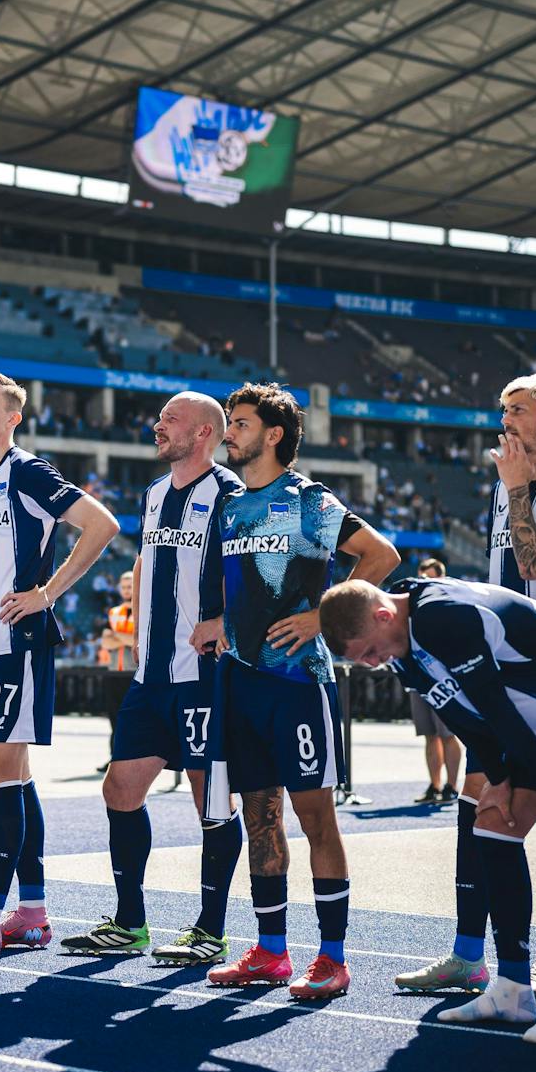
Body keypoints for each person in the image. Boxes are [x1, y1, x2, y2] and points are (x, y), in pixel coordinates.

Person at [324, 575, 536, 1044]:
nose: (374, 665)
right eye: (363, 661)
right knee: (493, 824)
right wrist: (499, 778)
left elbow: (493, 704)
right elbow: (458, 713)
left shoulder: (443, 616)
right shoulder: (398, 642)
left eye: (370, 652)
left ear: (383, 616)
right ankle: (514, 989)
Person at [397, 370, 536, 998]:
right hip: (502, 669)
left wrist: (516, 488)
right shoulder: (507, 484)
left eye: (516, 409)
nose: (504, 420)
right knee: (479, 798)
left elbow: (533, 560)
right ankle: (469, 953)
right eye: (502, 408)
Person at [195, 383, 400, 1000]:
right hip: (242, 682)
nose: (229, 432)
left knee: (316, 819)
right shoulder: (228, 508)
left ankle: (333, 957)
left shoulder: (308, 499)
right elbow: (239, 589)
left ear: (274, 434)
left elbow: (380, 555)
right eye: (229, 422)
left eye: (240, 423)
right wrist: (220, 624)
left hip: (298, 684)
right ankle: (271, 951)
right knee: (259, 818)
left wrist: (322, 616)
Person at [0, 371, 119, 961]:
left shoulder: (30, 472)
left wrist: (47, 592)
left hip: (20, 643)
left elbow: (102, 524)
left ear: (14, 417)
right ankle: (33, 911)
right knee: (13, 774)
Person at [60, 391, 245, 963]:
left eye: (171, 419)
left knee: (208, 797)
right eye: (160, 418)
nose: (157, 426)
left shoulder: (231, 495)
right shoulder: (155, 493)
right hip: (152, 677)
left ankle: (211, 930)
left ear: (205, 434)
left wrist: (223, 619)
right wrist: (140, 627)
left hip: (205, 677)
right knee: (119, 787)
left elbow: (254, 573)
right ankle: (129, 922)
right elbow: (147, 561)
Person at [408, 557, 462, 806]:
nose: (424, 582)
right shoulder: (412, 605)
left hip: (444, 678)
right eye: (422, 577)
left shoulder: (450, 603)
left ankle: (452, 786)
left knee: (448, 734)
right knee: (430, 736)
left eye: (430, 577)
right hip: (420, 678)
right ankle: (435, 784)